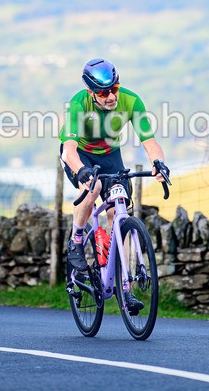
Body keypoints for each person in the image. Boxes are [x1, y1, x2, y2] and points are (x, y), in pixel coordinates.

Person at [58, 58, 169, 315]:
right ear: (91, 92)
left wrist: (158, 163)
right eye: (103, 93)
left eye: (114, 89)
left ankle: (124, 286)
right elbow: (69, 150)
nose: (110, 97)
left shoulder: (131, 101)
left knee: (119, 211)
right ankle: (76, 240)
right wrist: (82, 171)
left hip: (110, 154)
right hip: (80, 155)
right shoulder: (78, 104)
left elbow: (149, 141)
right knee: (93, 188)